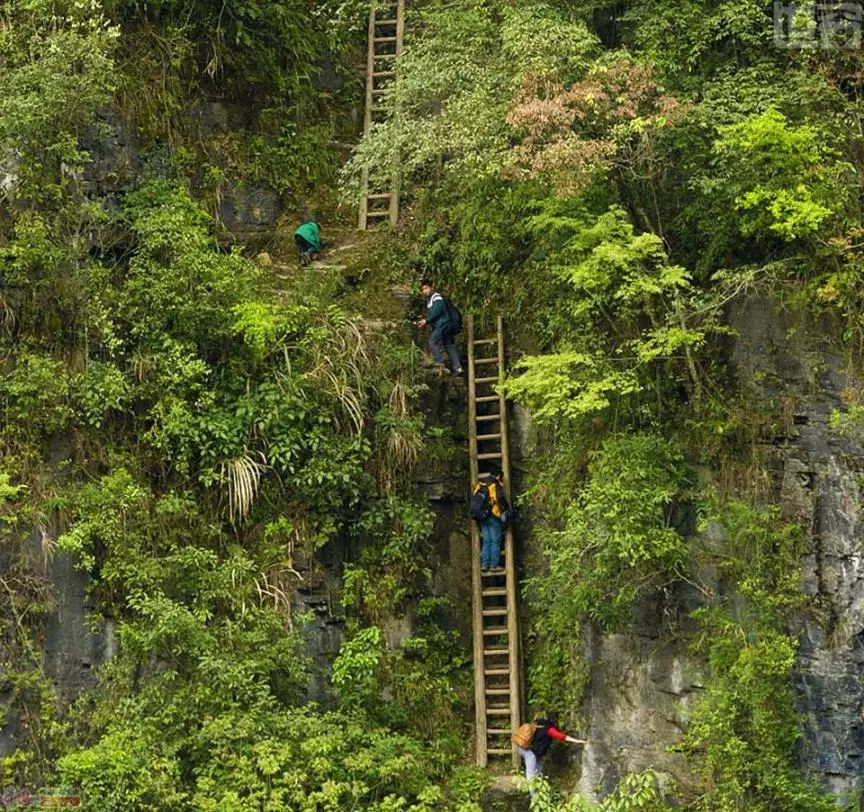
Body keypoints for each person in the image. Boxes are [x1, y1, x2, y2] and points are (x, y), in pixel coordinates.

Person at [516, 713, 586, 791]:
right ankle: (533, 796)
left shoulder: (538, 724)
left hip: (525, 749)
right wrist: (578, 741)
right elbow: (562, 737)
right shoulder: (549, 730)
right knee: (531, 775)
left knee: (537, 773)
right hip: (531, 753)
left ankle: (537, 791)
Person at [415, 279, 463, 375]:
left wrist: (426, 321)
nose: (425, 291)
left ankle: (439, 365)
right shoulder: (431, 300)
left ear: (431, 288)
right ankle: (457, 368)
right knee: (448, 345)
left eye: (426, 288)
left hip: (443, 325)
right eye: (423, 289)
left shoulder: (436, 298)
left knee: (432, 342)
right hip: (444, 325)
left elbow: (437, 312)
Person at [472, 465, 509, 571]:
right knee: (495, 540)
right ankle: (494, 565)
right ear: (498, 476)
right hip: (493, 515)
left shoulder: (480, 484)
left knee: (487, 540)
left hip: (482, 516)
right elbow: (500, 498)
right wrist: (506, 508)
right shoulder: (494, 485)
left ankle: (485, 564)